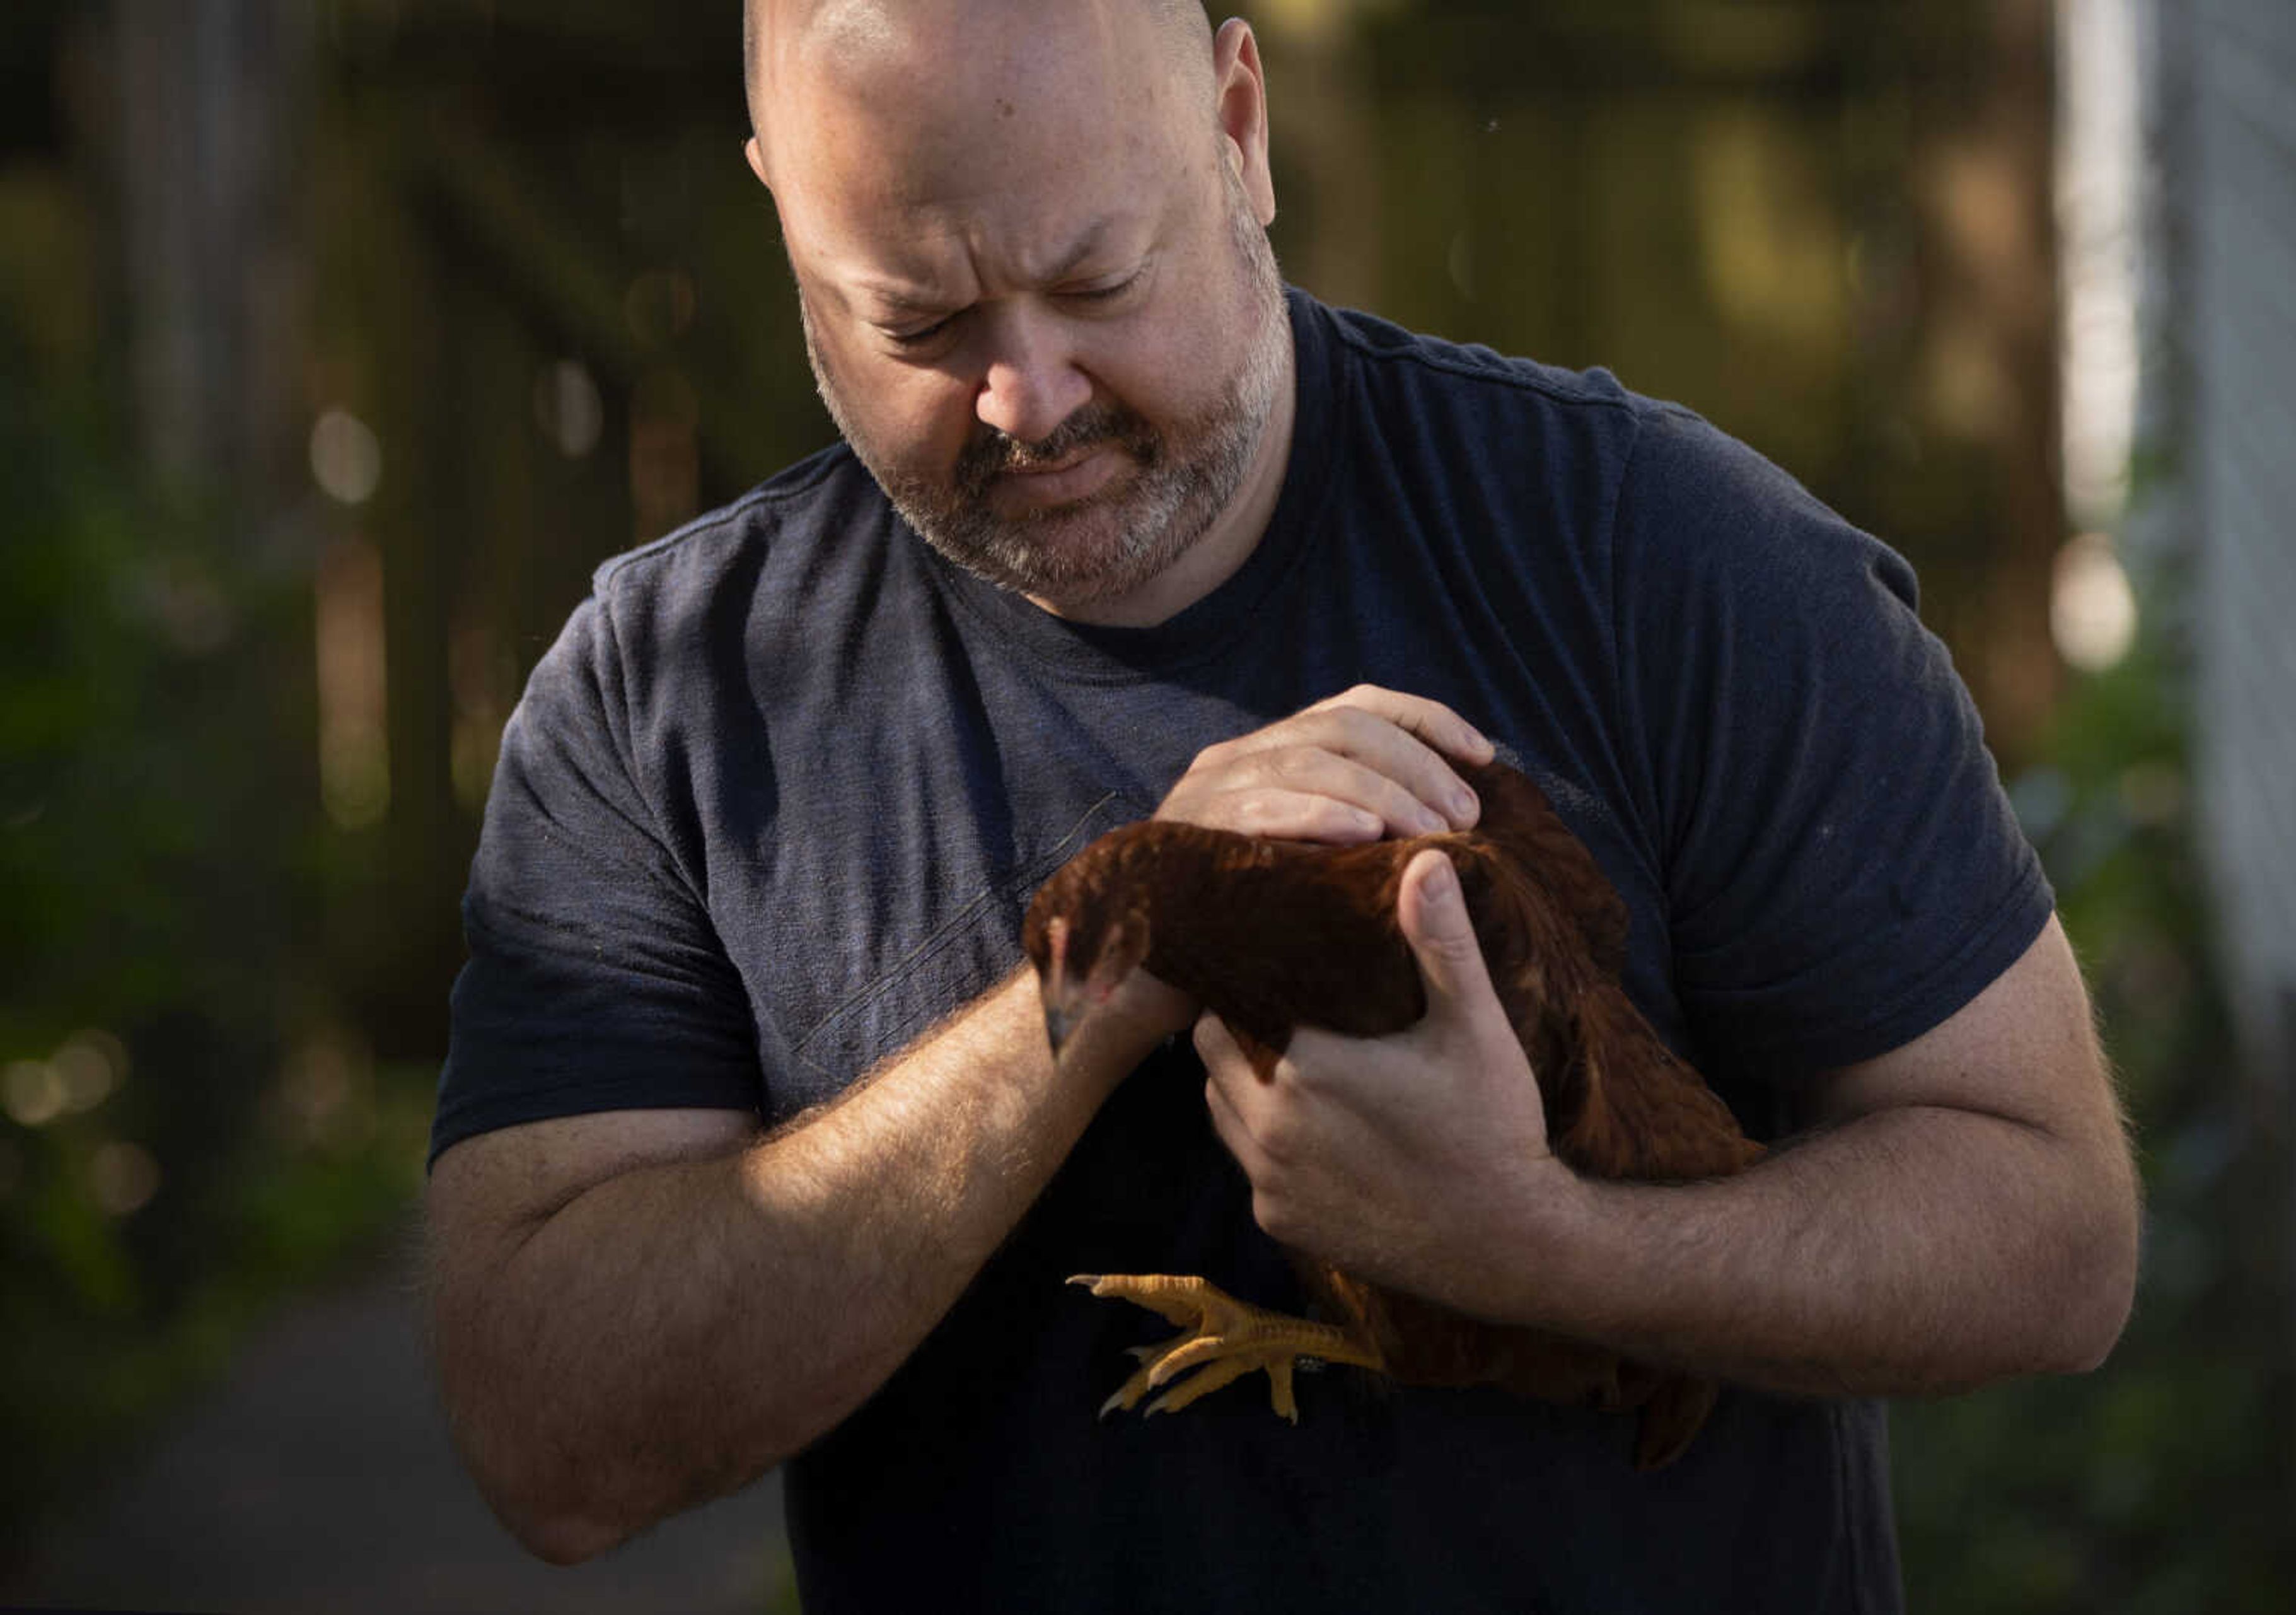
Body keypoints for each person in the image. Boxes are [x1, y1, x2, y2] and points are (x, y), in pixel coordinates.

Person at [422, 1, 2140, 1609]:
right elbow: (549, 1440)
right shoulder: (669, 701)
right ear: (780, 209)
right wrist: (1118, 960)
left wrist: (1543, 1246)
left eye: (1099, 276)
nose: (1030, 396)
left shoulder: (1662, 561)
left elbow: (2053, 1236)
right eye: (919, 323)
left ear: (1241, 131)